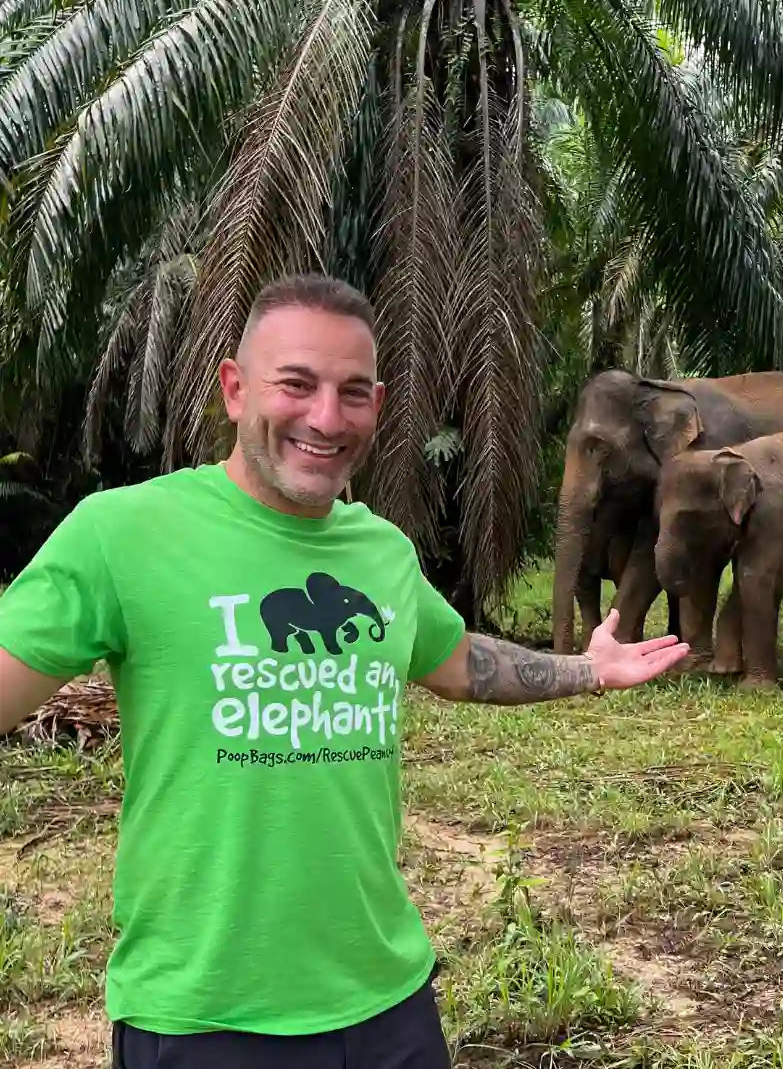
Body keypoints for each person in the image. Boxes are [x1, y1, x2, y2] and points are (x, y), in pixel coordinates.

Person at [0, 273, 689, 1069]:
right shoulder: (124, 535)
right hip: (205, 1016)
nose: (326, 418)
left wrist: (587, 669)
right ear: (234, 389)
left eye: (352, 393)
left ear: (378, 405)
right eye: (296, 384)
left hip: (387, 1004)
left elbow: (461, 660)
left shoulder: (381, 552)